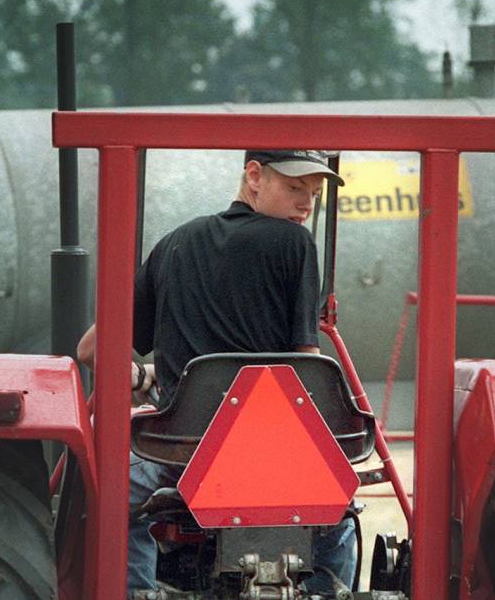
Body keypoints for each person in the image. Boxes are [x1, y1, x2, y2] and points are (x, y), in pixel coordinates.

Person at [76, 150, 356, 596]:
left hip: (179, 455)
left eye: (313, 194)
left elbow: (90, 349)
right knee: (341, 519)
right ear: (254, 176)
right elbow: (306, 363)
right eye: (295, 188)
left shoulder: (173, 243)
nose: (305, 205)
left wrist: (136, 376)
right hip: (271, 456)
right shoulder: (295, 243)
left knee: (119, 500)